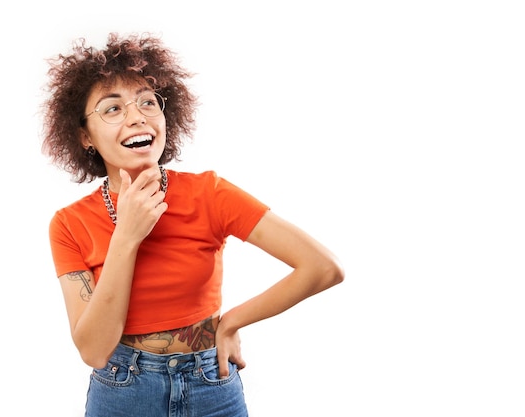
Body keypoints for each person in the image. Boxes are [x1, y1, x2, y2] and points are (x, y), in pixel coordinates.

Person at [41, 32, 344, 417]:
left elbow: (323, 268)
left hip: (211, 383)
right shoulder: (69, 224)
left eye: (148, 102)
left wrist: (232, 322)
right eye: (112, 109)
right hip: (122, 388)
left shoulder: (210, 194)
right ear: (84, 136)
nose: (136, 116)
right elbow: (93, 349)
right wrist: (127, 236)